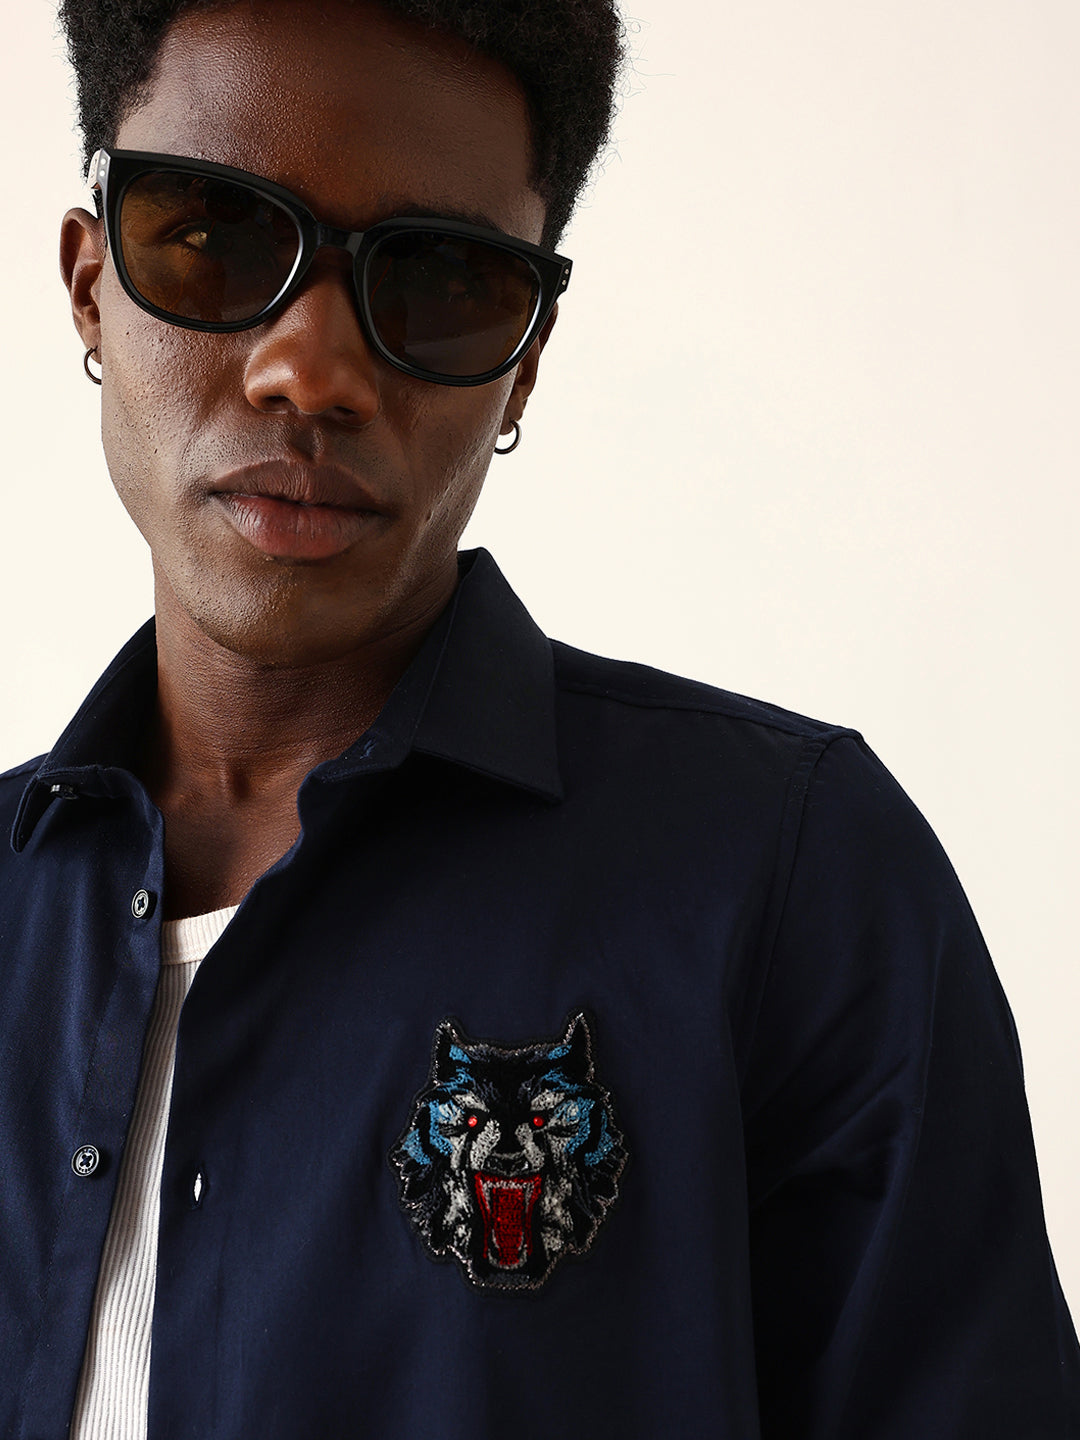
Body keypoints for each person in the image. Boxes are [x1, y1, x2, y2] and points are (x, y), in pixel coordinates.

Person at [0, 0, 1076, 1435]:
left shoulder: (790, 879)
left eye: (440, 282)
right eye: (215, 238)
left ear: (525, 359)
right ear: (90, 284)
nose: (309, 371)